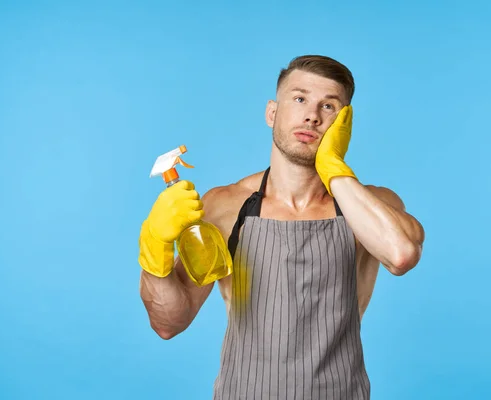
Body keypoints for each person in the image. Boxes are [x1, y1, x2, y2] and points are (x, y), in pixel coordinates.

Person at [138, 55, 425, 399]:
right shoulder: (228, 206)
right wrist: (154, 247)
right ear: (272, 113)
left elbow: (402, 255)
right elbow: (170, 323)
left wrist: (332, 166)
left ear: (344, 122)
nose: (312, 115)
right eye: (300, 98)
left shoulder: (369, 206)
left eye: (329, 106)